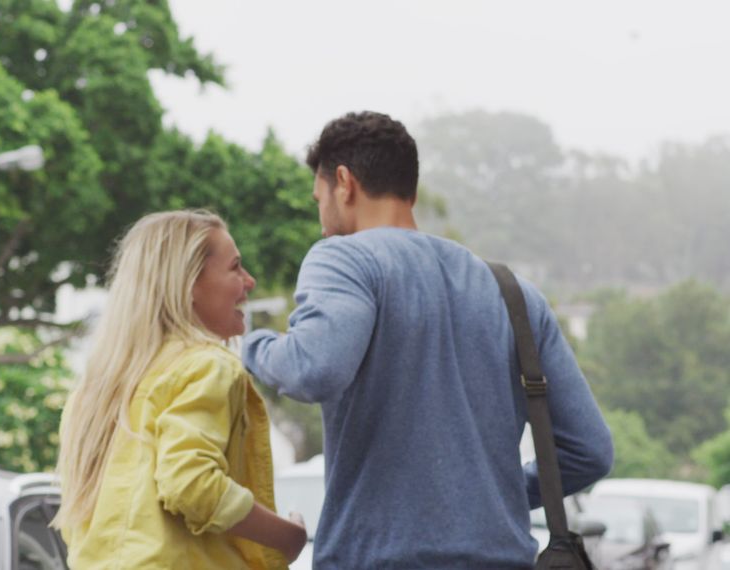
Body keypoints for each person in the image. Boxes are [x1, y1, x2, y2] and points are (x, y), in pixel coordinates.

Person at [241, 112, 614, 568]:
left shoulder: (344, 260)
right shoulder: (513, 293)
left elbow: (312, 369)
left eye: (319, 200)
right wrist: (486, 497)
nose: (322, 223)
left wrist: (248, 344)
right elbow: (589, 451)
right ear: (410, 191)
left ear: (344, 182)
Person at [53, 210, 307, 569]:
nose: (249, 282)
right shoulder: (205, 365)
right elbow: (191, 484)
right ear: (188, 285)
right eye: (235, 268)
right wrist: (287, 537)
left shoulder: (95, 391)